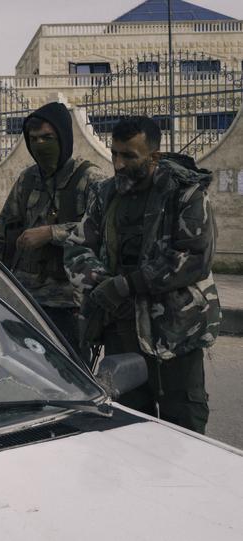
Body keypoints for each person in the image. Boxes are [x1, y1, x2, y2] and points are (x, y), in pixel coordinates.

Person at [64, 116, 220, 434]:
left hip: (175, 335)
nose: (119, 164)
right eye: (115, 154)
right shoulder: (104, 194)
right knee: (128, 429)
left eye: (129, 156)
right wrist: (102, 283)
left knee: (184, 431)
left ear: (154, 157)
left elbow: (194, 257)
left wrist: (127, 284)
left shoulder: (186, 193)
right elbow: (76, 248)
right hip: (121, 333)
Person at [0, 102, 106, 353]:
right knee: (19, 367)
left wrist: (52, 233)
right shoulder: (27, 179)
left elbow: (102, 229)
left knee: (69, 378)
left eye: (48, 138)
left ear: (63, 138)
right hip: (23, 298)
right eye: (34, 139)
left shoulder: (90, 179)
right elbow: (3, 231)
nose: (40, 145)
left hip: (67, 303)